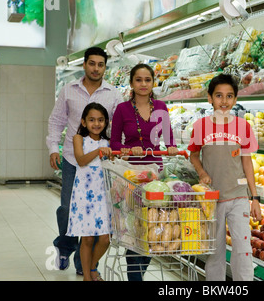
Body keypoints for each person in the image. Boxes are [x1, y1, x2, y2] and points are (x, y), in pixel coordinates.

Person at [46, 47, 124, 274]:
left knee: (95, 212)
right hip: (73, 158)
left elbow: (117, 127)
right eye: (92, 63)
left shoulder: (114, 93)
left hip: (101, 165)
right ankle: (65, 244)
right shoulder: (68, 90)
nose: (96, 68)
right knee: (67, 208)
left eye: (101, 64)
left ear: (105, 67)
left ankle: (87, 265)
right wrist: (53, 148)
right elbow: (56, 121)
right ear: (85, 64)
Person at [187, 73, 262, 281]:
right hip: (212, 199)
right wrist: (202, 172)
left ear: (235, 99)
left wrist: (254, 198)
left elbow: (247, 162)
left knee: (243, 249)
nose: (224, 101)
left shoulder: (243, 127)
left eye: (229, 96)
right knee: (215, 251)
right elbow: (194, 155)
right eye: (219, 96)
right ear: (210, 98)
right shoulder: (200, 126)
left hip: (238, 196)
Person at [110, 63, 178, 280]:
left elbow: (169, 140)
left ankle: (138, 273)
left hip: (155, 174)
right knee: (134, 228)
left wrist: (171, 148)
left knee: (151, 227)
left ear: (153, 82)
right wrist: (127, 150)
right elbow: (114, 144)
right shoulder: (122, 109)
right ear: (131, 83)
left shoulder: (161, 106)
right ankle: (135, 277)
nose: (143, 84)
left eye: (147, 80)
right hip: (130, 174)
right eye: (138, 80)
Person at [66, 102, 112, 281]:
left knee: (105, 239)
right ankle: (86, 276)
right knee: (86, 239)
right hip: (83, 194)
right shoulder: (79, 139)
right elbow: (81, 160)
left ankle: (92, 267)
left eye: (101, 120)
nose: (96, 124)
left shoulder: (108, 142)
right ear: (84, 122)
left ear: (106, 122)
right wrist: (99, 151)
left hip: (102, 194)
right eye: (92, 120)